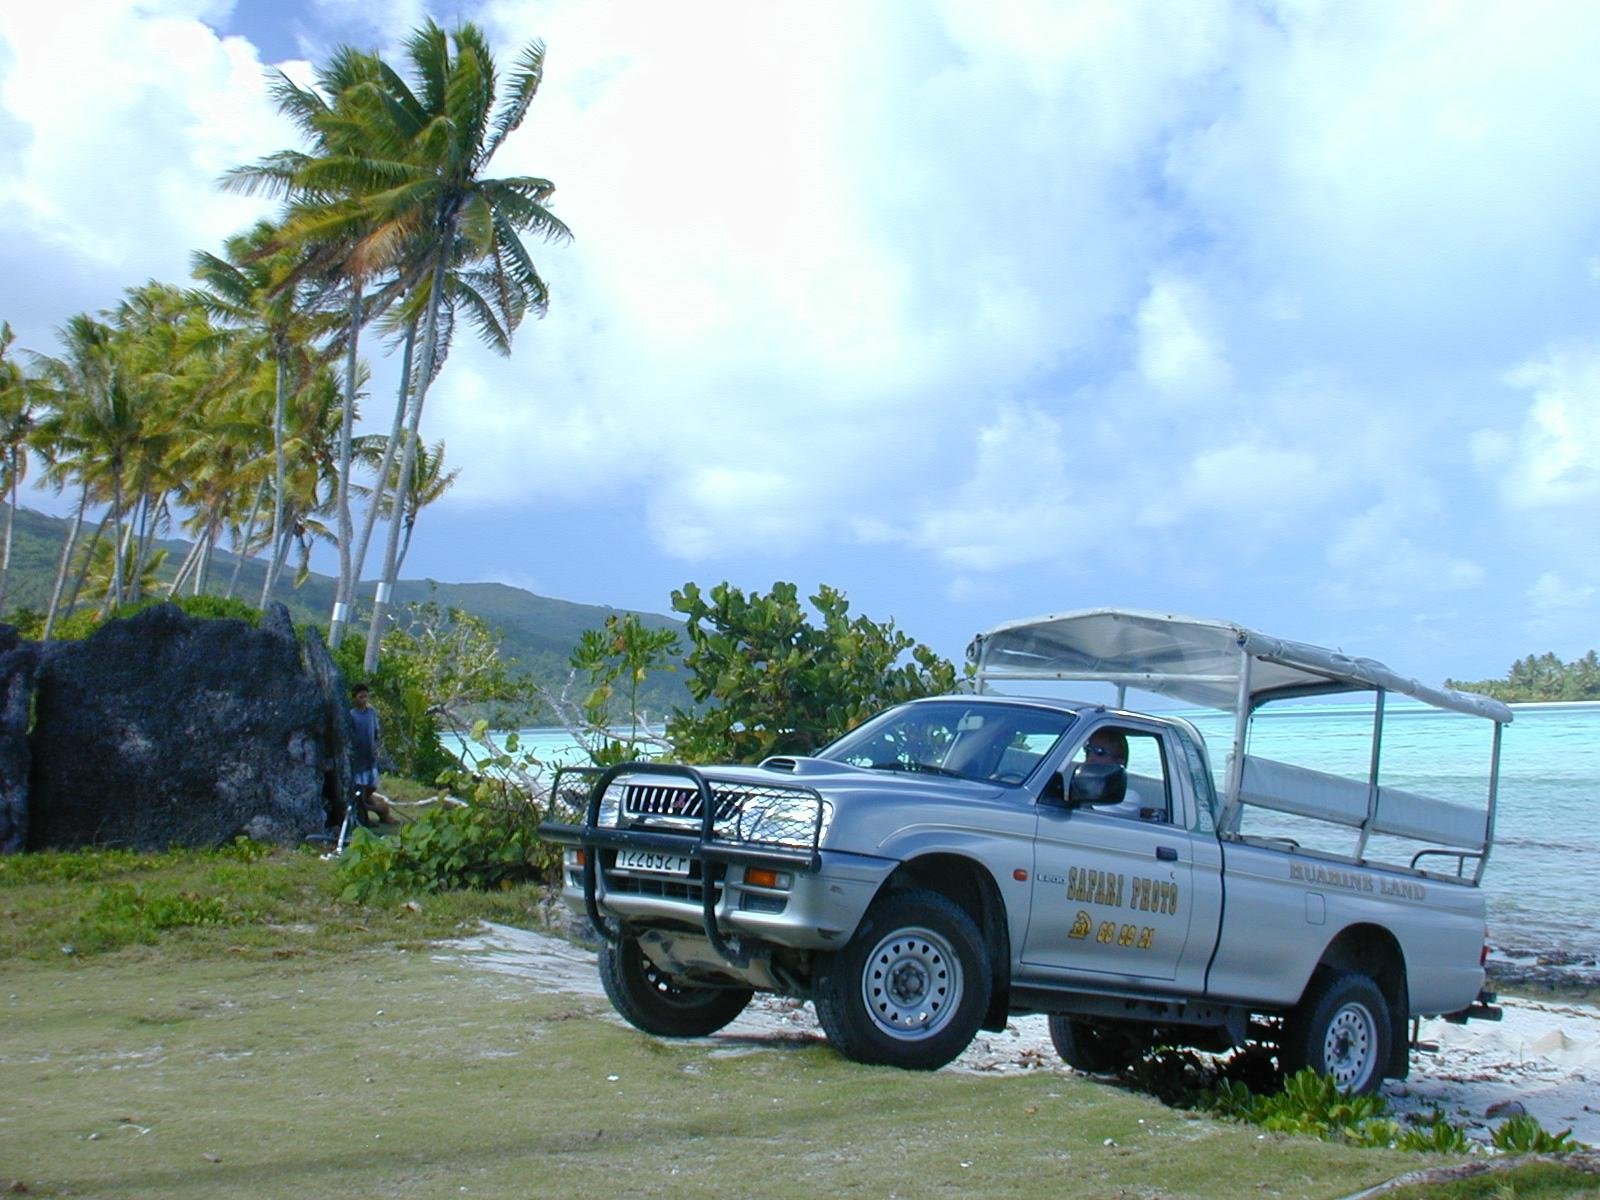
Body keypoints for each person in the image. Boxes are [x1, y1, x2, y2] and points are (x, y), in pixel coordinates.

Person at [348, 684, 393, 826]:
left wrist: (377, 747)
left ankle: (376, 811)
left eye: (365, 696)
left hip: (370, 756)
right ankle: (365, 818)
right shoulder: (351, 715)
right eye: (360, 697)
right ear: (354, 698)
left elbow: (376, 731)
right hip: (358, 758)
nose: (364, 699)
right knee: (360, 789)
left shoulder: (371, 712)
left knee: (372, 785)